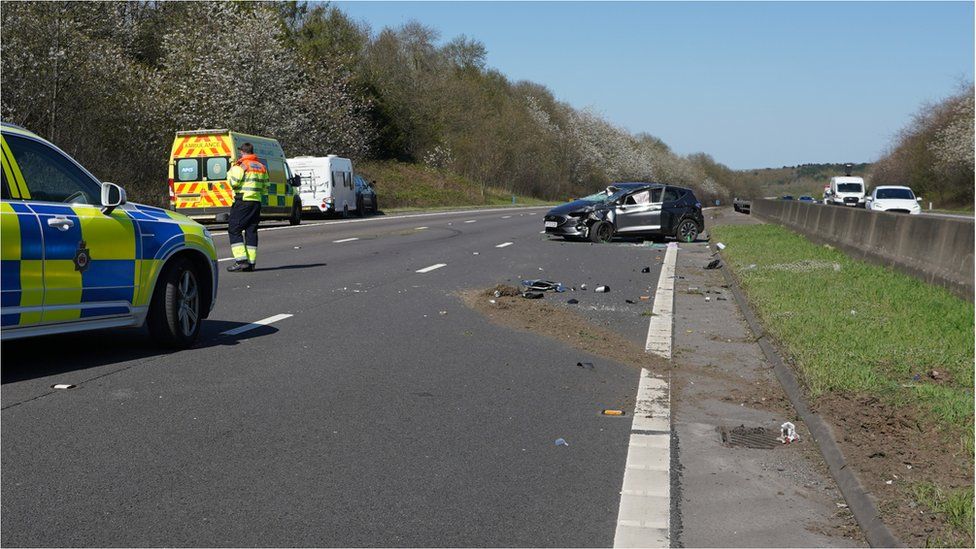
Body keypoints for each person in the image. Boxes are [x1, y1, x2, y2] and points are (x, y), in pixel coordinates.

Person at [226, 143, 268, 272]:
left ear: (242, 152)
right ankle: (251, 263)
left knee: (234, 229)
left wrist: (230, 174)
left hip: (243, 201)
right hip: (256, 202)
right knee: (251, 231)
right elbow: (265, 187)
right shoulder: (261, 167)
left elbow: (233, 182)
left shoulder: (241, 166)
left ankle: (241, 261)